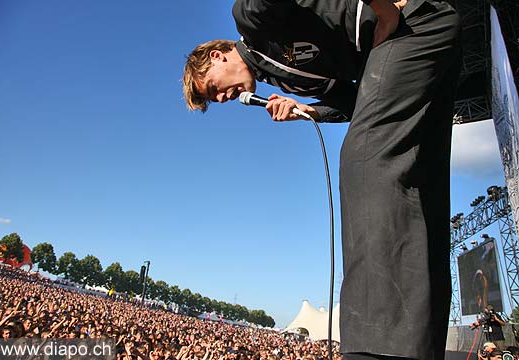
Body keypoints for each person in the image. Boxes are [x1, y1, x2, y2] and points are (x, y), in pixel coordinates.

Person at [183, 1, 462, 359]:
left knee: (364, 157)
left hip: (414, 23)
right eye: (215, 100)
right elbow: (356, 101)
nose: (223, 98)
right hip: (421, 43)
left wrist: (382, 7)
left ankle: (378, 346)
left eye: (214, 88)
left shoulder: (251, 18)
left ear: (219, 55)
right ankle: (421, 345)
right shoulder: (278, 76)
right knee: (422, 179)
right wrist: (308, 110)